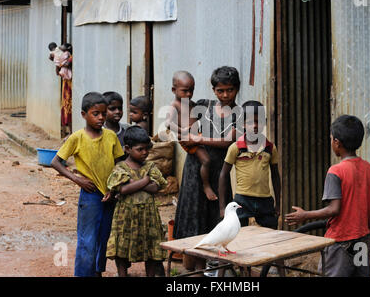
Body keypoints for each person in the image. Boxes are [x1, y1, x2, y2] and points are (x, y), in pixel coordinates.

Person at [285, 115, 370, 277]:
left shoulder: (336, 171)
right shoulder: (367, 167)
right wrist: (358, 198)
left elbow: (334, 209)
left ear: (337, 143)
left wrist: (305, 215)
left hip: (341, 241)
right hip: (363, 239)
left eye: (331, 139)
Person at [172, 66, 243, 271]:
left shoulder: (240, 113)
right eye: (220, 90)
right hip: (196, 170)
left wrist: (200, 138)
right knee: (192, 222)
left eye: (229, 90)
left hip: (220, 173)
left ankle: (212, 272)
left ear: (237, 89)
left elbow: (231, 140)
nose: (225, 95)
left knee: (216, 221)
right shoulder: (203, 106)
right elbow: (182, 110)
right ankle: (190, 273)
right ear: (213, 90)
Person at [51, 92, 125, 277]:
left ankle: (97, 272)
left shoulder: (110, 136)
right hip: (90, 195)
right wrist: (77, 179)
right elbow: (56, 162)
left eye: (103, 113)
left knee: (103, 238)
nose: (101, 117)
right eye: (95, 113)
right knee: (87, 240)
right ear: (84, 114)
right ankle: (83, 274)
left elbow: (119, 164)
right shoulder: (77, 138)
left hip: (109, 195)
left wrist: (114, 188)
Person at [106, 126, 167, 277]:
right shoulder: (121, 167)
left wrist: (136, 183)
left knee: (151, 246)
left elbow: (156, 187)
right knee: (122, 246)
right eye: (140, 149)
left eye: (147, 149)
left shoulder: (150, 166)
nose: (145, 153)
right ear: (127, 149)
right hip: (125, 217)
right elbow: (123, 190)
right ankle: (122, 274)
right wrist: (146, 180)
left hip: (149, 215)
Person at [218, 100, 281, 230]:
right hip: (242, 199)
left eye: (259, 121)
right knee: (238, 232)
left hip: (265, 199)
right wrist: (222, 207)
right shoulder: (235, 148)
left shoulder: (270, 148)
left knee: (271, 230)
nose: (255, 126)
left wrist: (278, 204)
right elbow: (224, 175)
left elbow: (275, 177)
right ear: (243, 124)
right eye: (251, 122)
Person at [167, 71, 215, 201]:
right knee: (206, 160)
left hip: (195, 136)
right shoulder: (174, 105)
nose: (189, 94)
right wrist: (183, 130)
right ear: (174, 90)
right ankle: (206, 186)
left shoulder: (190, 103)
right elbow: (168, 124)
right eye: (185, 91)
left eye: (191, 90)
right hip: (187, 139)